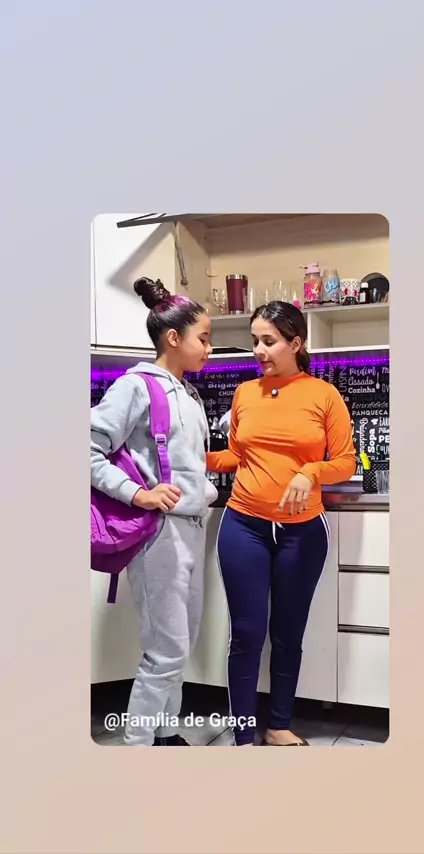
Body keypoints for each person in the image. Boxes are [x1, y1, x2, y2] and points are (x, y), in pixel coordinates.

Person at [206, 301, 356, 746]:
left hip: (302, 532)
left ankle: (279, 726)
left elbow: (345, 461)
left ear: (296, 342)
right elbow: (236, 456)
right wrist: (194, 457)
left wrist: (310, 472)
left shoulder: (324, 395)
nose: (259, 350)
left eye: (268, 341)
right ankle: (243, 736)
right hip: (244, 525)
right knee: (246, 633)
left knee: (288, 633)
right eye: (255, 340)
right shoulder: (244, 393)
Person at [91, 277, 217, 746]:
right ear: (174, 338)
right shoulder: (136, 387)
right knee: (166, 651)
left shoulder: (188, 393)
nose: (209, 348)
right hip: (159, 532)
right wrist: (136, 494)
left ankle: (166, 735)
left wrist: (202, 489)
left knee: (181, 643)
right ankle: (138, 748)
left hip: (191, 527)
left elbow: (188, 463)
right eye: (204, 338)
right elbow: (87, 449)